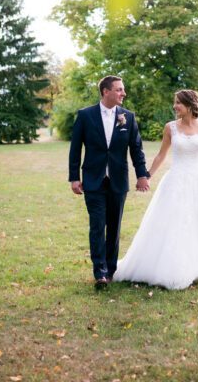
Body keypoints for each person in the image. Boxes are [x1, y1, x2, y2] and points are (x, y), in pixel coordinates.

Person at [113, 89, 198, 290]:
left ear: (190, 105)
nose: (175, 106)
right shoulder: (170, 128)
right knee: (174, 223)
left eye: (178, 103)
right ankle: (171, 267)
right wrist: (146, 176)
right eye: (174, 103)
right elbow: (161, 155)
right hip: (176, 182)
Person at [68, 76, 150, 289]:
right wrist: (74, 177)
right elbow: (75, 148)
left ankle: (111, 269)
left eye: (123, 90)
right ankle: (100, 273)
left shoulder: (128, 117)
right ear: (106, 91)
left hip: (118, 181)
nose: (123, 93)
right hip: (93, 181)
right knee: (97, 226)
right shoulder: (85, 116)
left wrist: (142, 175)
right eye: (119, 89)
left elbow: (136, 149)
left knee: (114, 226)